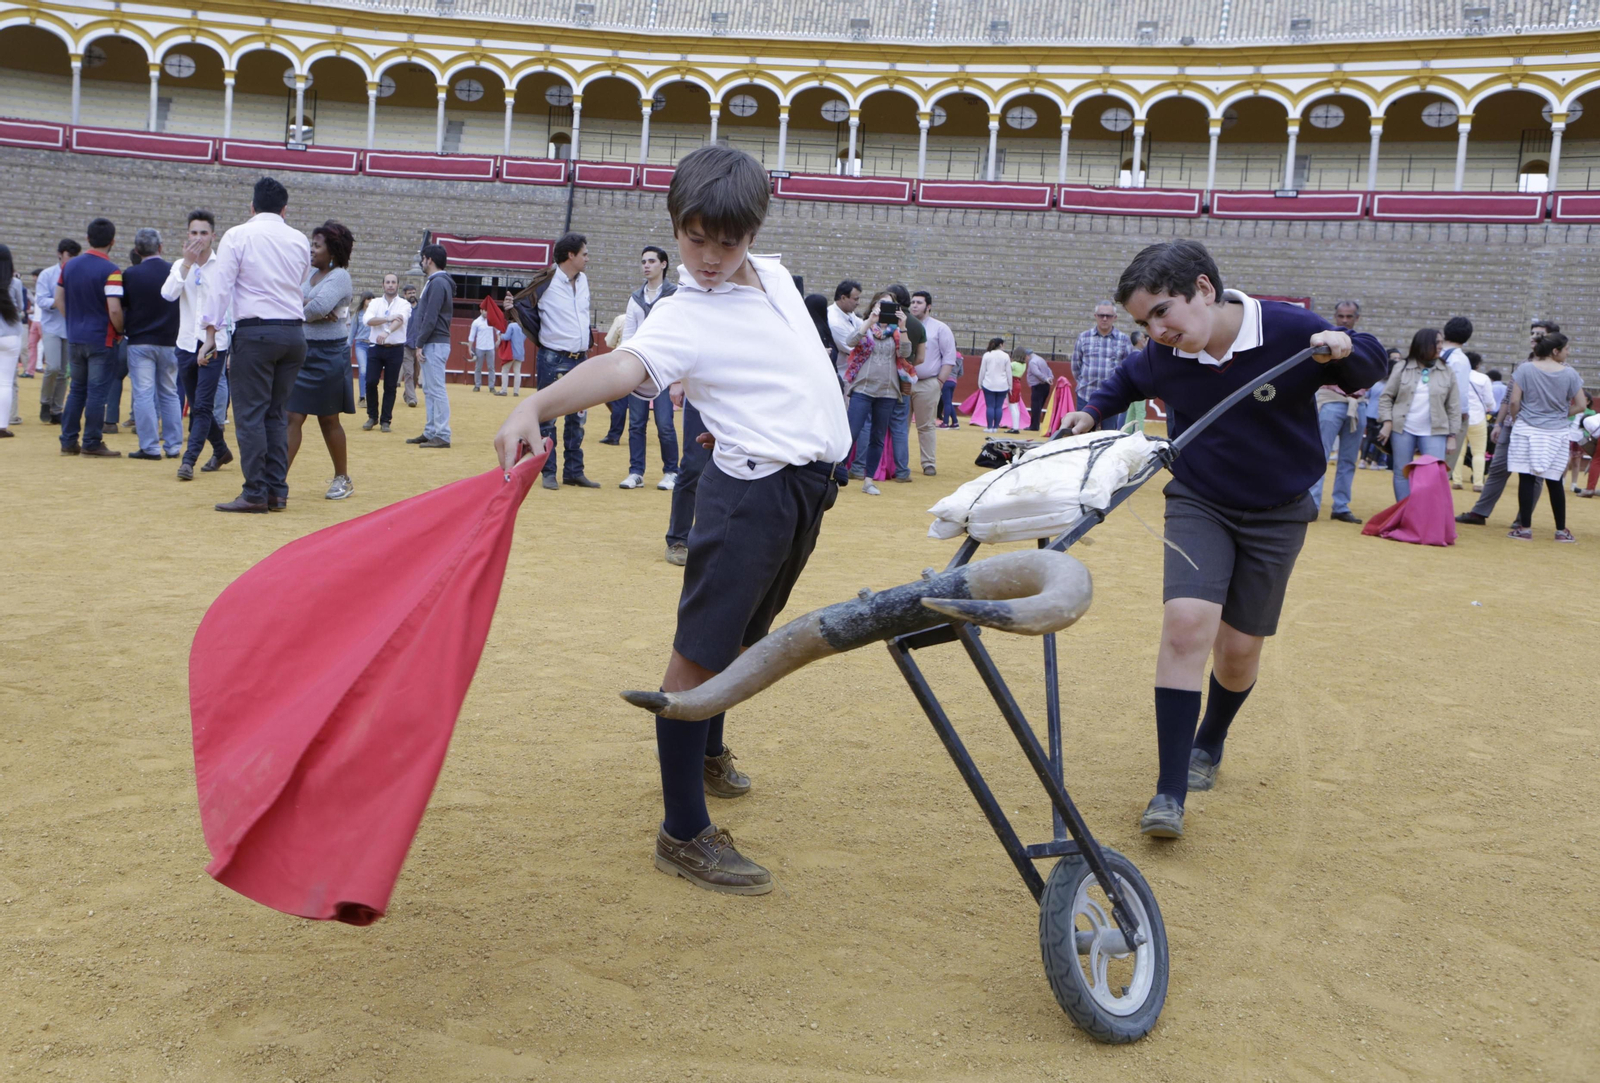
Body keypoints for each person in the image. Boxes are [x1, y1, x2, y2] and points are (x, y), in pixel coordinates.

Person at [493, 144, 850, 895]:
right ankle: (682, 830)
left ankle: (709, 748)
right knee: (697, 655)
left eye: (728, 241)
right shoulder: (684, 312)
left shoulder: (778, 275)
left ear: (755, 229)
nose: (712, 257)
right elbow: (623, 366)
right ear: (673, 228)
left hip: (803, 490)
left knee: (748, 634)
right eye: (695, 240)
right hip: (749, 494)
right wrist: (538, 402)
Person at [1054, 240, 1385, 840]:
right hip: (1199, 501)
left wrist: (1346, 345)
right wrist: (1090, 410)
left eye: (1162, 312)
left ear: (1204, 289)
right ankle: (1169, 791)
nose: (1155, 331)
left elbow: (1366, 364)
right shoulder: (1163, 355)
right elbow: (1126, 380)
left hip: (1278, 513)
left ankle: (1212, 737)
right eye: (1142, 321)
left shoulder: (1288, 328)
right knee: (1185, 626)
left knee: (1237, 655)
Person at [201, 176, 311, 513]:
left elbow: (221, 288)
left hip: (255, 334)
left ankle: (255, 492)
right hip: (293, 335)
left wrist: (209, 334)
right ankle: (277, 490)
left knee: (250, 415)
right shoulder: (299, 239)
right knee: (276, 415)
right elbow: (302, 281)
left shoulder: (238, 235)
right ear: (284, 210)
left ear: (251, 207)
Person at [1458, 321, 1557, 527]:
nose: (1534, 337)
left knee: (1534, 474)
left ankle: (1523, 519)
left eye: (1540, 334)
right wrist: (1498, 424)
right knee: (1497, 469)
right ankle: (1479, 512)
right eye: (1532, 333)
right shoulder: (1522, 364)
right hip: (1512, 426)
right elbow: (1508, 397)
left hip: (1538, 430)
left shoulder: (1559, 369)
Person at [286, 220, 356, 500]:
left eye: (317, 245)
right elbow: (305, 305)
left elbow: (316, 306)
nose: (311, 250)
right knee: (292, 416)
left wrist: (303, 307)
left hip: (329, 354)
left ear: (333, 250)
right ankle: (276, 480)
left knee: (328, 420)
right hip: (305, 353)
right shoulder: (311, 276)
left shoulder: (339, 277)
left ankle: (343, 479)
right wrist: (307, 308)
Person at [162, 209, 233, 481]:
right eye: (194, 233)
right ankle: (221, 450)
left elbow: (229, 307)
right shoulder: (181, 265)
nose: (199, 238)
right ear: (187, 235)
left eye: (204, 233)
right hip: (185, 343)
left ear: (213, 236)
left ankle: (188, 461)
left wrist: (222, 341)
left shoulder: (223, 266)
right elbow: (168, 294)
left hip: (215, 343)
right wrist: (186, 265)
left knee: (201, 406)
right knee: (196, 403)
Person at [530, 231, 598, 487]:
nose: (587, 258)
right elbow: (522, 303)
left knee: (578, 417)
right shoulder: (545, 281)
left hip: (580, 358)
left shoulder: (584, 281)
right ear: (571, 255)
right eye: (584, 254)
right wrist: (509, 305)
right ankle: (548, 471)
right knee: (548, 416)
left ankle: (573, 471)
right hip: (553, 357)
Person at [1503, 332, 1585, 542]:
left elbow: (1514, 402)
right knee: (1555, 480)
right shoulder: (1570, 374)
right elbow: (1581, 405)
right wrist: (1559, 415)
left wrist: (1517, 418)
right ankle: (1560, 530)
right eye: (1566, 349)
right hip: (1556, 431)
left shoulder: (1525, 369)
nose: (1568, 352)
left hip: (1527, 429)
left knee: (1526, 479)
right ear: (1556, 351)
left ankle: (1524, 528)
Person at [57, 216, 123, 458]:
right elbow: (114, 308)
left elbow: (58, 299)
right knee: (96, 393)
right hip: (101, 338)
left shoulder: (69, 266)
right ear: (113, 241)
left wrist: (71, 322)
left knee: (76, 390)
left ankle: (68, 440)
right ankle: (92, 441)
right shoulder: (112, 270)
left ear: (87, 238)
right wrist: (119, 330)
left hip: (75, 336)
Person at [119, 228, 183, 461]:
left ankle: (150, 446)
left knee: (143, 394)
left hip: (140, 340)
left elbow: (124, 306)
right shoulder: (173, 271)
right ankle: (174, 445)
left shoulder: (131, 274)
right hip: (170, 340)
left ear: (137, 250)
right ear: (161, 247)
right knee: (170, 392)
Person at [619, 244, 680, 491]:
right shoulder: (635, 298)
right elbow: (628, 337)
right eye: (644, 261)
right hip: (639, 367)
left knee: (665, 424)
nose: (646, 265)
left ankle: (672, 471)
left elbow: (679, 334)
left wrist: (678, 376)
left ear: (663, 264)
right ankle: (636, 472)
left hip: (664, 368)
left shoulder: (676, 295)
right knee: (636, 423)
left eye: (652, 261)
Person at [841, 289, 912, 495]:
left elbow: (906, 353)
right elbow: (850, 341)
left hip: (888, 390)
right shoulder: (865, 326)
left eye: (890, 304)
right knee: (851, 432)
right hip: (863, 387)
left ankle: (869, 480)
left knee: (878, 436)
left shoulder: (897, 331)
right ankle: (836, 473)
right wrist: (869, 322)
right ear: (873, 305)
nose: (884, 308)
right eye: (881, 304)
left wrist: (903, 326)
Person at [1378, 328, 1460, 501]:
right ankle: (1404, 514)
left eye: (1441, 342)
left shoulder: (1447, 371)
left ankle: (1425, 514)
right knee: (1402, 472)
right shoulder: (1402, 367)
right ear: (1424, 344)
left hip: (1435, 430)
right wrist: (1387, 422)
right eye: (1437, 342)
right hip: (1402, 429)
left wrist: (1452, 435)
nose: (1440, 346)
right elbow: (1386, 397)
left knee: (1433, 475)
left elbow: (1453, 406)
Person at [405, 243, 454, 450]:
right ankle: (432, 431)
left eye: (423, 259)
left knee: (436, 389)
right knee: (431, 389)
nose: (422, 262)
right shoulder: (439, 282)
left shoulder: (437, 283)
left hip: (434, 342)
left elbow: (430, 317)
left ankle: (441, 433)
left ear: (429, 260)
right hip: (435, 342)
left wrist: (420, 343)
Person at [33, 238, 78, 425]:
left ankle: (57, 408)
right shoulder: (47, 274)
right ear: (60, 254)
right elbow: (41, 300)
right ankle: (45, 402)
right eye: (69, 255)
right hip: (52, 325)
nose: (71, 259)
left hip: (70, 327)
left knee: (63, 372)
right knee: (52, 367)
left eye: (75, 256)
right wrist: (58, 301)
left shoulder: (77, 274)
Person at [1071, 300, 1132, 430]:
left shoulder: (1123, 339)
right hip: (1085, 394)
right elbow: (1076, 366)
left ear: (1114, 318)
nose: (1104, 319)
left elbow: (1127, 367)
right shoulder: (1083, 337)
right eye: (1101, 315)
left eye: (1108, 316)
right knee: (1082, 437)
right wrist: (1084, 381)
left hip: (1111, 396)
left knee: (1108, 437)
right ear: (1095, 316)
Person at [361, 273, 409, 433]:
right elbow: (367, 321)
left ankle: (385, 420)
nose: (390, 285)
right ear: (383, 285)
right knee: (370, 381)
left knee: (390, 386)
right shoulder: (374, 302)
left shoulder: (404, 304)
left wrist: (386, 330)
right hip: (375, 347)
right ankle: (372, 416)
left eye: (393, 282)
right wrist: (388, 319)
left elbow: (400, 319)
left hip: (395, 348)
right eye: (387, 282)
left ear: (397, 285)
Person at [911, 290, 959, 439]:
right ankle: (897, 463)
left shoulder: (940, 328)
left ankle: (928, 463)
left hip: (927, 382)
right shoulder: (904, 326)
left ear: (928, 306)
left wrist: (938, 383)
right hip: (903, 383)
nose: (914, 306)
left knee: (926, 427)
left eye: (919, 303)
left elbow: (949, 359)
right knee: (898, 426)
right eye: (912, 302)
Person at [1439, 316, 1475, 480]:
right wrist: (1462, 414)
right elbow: (1460, 394)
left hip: (1429, 410)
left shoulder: (1434, 351)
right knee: (1445, 466)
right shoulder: (1460, 359)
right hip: (1449, 414)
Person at [1457, 351, 1496, 492]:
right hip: (1478, 418)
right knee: (1478, 452)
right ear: (1478, 365)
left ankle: (1457, 480)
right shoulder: (1483, 378)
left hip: (1459, 418)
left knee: (1459, 452)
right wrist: (1490, 408)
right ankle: (1478, 483)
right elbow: (1490, 402)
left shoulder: (1457, 375)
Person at [0, 247, 23, 438]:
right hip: (10, 334)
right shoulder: (15, 283)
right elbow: (21, 308)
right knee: (5, 383)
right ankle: (1, 426)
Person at [827, 279, 863, 368]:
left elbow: (863, 326)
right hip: (843, 374)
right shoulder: (834, 322)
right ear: (843, 298)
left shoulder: (848, 312)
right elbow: (855, 351)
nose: (858, 303)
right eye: (855, 299)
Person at [978, 336, 1011, 432]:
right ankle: (996, 427)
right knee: (998, 407)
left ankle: (989, 427)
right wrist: (1010, 385)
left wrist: (980, 383)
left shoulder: (987, 355)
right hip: (1002, 384)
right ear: (1001, 345)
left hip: (988, 383)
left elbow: (982, 371)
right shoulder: (1006, 356)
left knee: (990, 406)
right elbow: (1009, 372)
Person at [495, 299, 526, 396]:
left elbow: (507, 337)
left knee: (505, 371)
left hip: (511, 352)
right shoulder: (523, 327)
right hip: (520, 352)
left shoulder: (512, 325)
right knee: (517, 372)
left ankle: (504, 390)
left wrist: (500, 335)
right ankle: (516, 392)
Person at [399, 283, 420, 408]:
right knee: (408, 372)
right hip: (405, 345)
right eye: (410, 293)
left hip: (419, 345)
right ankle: (412, 398)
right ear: (405, 295)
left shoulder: (421, 308)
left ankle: (408, 393)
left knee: (416, 374)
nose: (412, 295)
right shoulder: (402, 308)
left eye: (413, 293)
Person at [351, 290, 373, 406]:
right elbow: (352, 332)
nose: (370, 301)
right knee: (363, 370)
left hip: (373, 345)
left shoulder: (376, 314)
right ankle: (362, 397)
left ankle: (369, 397)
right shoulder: (357, 314)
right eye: (368, 299)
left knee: (371, 372)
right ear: (363, 300)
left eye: (371, 299)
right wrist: (348, 346)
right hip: (360, 344)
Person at [467, 305, 497, 392]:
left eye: (487, 311)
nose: (486, 312)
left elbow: (498, 330)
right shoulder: (476, 322)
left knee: (491, 367)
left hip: (490, 347)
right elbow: (471, 336)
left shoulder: (491, 320)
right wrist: (469, 348)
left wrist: (498, 338)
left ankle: (491, 387)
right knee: (478, 367)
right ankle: (477, 385)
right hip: (480, 347)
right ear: (481, 311)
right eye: (485, 310)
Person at [1025, 347, 1053, 432]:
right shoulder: (1041, 359)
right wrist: (1050, 377)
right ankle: (1035, 425)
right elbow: (1049, 370)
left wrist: (1045, 379)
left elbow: (1036, 372)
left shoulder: (1032, 362)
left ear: (1027, 356)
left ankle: (1034, 426)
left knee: (1036, 406)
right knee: (1039, 406)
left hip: (1038, 385)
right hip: (1045, 385)